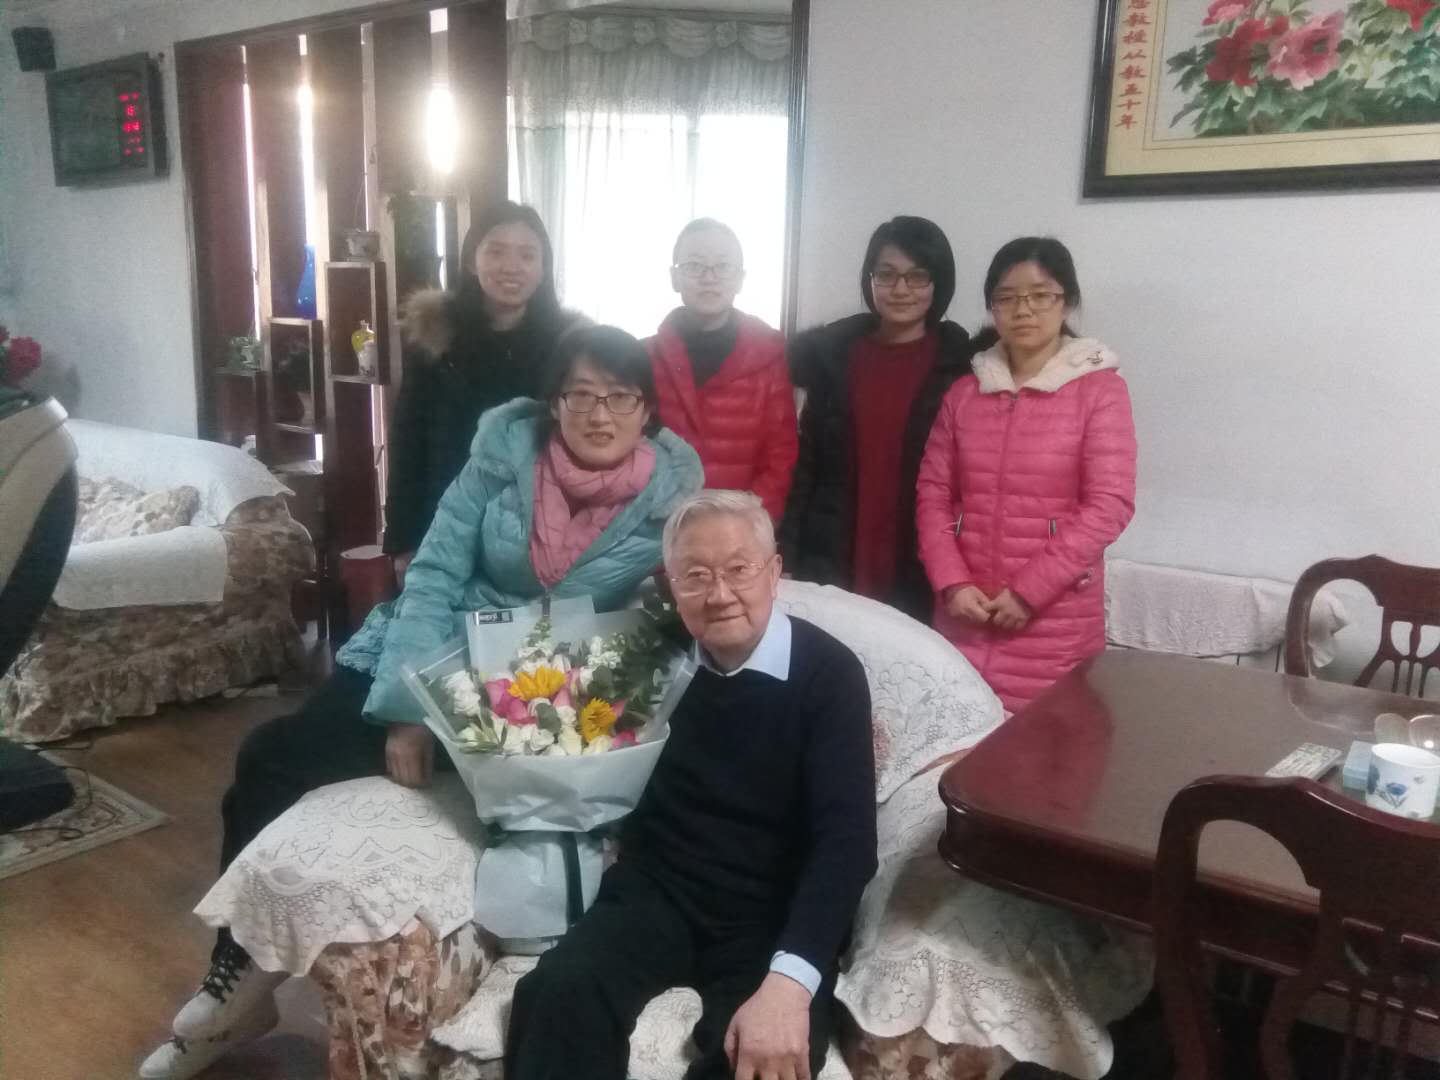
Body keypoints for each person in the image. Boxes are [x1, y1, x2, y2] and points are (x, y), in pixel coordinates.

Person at [140, 326, 703, 1080]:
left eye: (619, 397)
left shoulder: (672, 497)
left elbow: (676, 605)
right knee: (270, 756)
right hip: (441, 654)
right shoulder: (502, 460)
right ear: (553, 403)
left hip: (542, 691)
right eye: (580, 395)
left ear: (647, 410)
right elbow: (434, 576)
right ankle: (235, 976)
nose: (599, 414)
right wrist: (407, 708)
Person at [505, 490, 877, 1080]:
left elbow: (847, 847)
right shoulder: (651, 658)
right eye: (695, 576)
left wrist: (790, 982)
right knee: (556, 994)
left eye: (738, 569)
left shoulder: (829, 675)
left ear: (774, 571)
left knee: (763, 1060)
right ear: (671, 586)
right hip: (657, 893)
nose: (719, 594)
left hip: (772, 912)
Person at [915, 237, 1137, 713]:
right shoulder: (964, 393)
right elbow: (932, 494)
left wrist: (1028, 592)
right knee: (956, 740)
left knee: (1045, 749)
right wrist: (951, 582)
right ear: (992, 308)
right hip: (965, 614)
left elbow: (1109, 505)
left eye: (1041, 295)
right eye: (1007, 297)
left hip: (1053, 622)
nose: (1023, 309)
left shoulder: (1100, 392)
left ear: (1067, 303)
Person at [779, 215, 973, 621]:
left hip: (921, 553)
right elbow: (807, 465)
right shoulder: (834, 358)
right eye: (886, 275)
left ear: (939, 282)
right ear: (870, 279)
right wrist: (788, 551)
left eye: (917, 276)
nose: (900, 289)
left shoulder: (961, 366)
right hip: (835, 549)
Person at [383, 201, 584, 583]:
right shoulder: (436, 337)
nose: (511, 266)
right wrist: (404, 540)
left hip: (539, 530)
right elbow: (409, 440)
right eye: (496, 251)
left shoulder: (569, 345)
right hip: (443, 523)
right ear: (471, 261)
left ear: (543, 269)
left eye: (527, 255)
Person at [646, 219, 797, 521]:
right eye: (694, 266)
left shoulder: (768, 356)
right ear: (675, 278)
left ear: (740, 278)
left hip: (742, 530)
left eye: (723, 266)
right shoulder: (646, 357)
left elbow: (780, 457)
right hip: (661, 529)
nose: (709, 277)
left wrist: (743, 522)